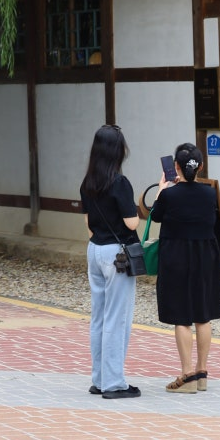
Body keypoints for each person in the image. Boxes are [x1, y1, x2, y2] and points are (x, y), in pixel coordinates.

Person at [148, 141, 220, 393]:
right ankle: (202, 373)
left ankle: (187, 374)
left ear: (176, 167)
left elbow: (155, 216)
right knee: (203, 315)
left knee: (181, 316)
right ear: (200, 167)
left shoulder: (169, 195)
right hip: (205, 256)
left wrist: (161, 189)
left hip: (176, 256)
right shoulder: (210, 193)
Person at [79, 123, 141, 399]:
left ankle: (100, 379)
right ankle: (114, 383)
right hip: (117, 256)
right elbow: (131, 223)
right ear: (118, 150)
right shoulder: (119, 183)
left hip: (95, 250)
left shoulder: (88, 183)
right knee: (117, 318)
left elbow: (88, 224)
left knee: (100, 317)